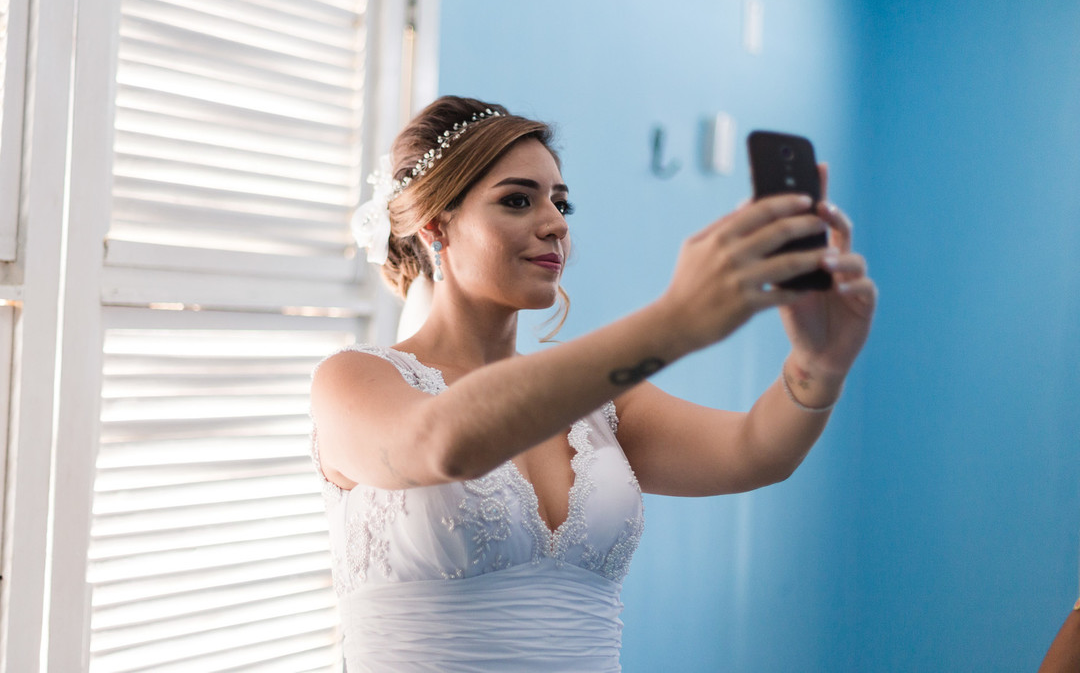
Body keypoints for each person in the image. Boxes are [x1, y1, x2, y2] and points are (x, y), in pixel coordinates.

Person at [309, 96, 876, 671]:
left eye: (561, 203)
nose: (556, 224)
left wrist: (819, 363)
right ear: (435, 226)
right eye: (517, 200)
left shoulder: (601, 405)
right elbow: (441, 445)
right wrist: (673, 322)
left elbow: (755, 451)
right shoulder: (354, 379)